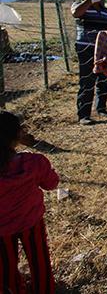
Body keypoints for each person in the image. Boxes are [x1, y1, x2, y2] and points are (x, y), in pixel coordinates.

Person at [0, 111, 59, 293]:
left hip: (2, 229)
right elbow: (51, 184)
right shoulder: (33, 162)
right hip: (31, 221)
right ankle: (45, 288)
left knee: (6, 267)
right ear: (18, 135)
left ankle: (13, 289)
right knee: (39, 260)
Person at [71, 0, 107, 125]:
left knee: (103, 79)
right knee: (87, 81)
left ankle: (101, 108)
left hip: (103, 50)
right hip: (86, 48)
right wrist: (90, 0)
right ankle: (84, 115)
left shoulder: (106, 11)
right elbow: (76, 13)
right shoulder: (79, 5)